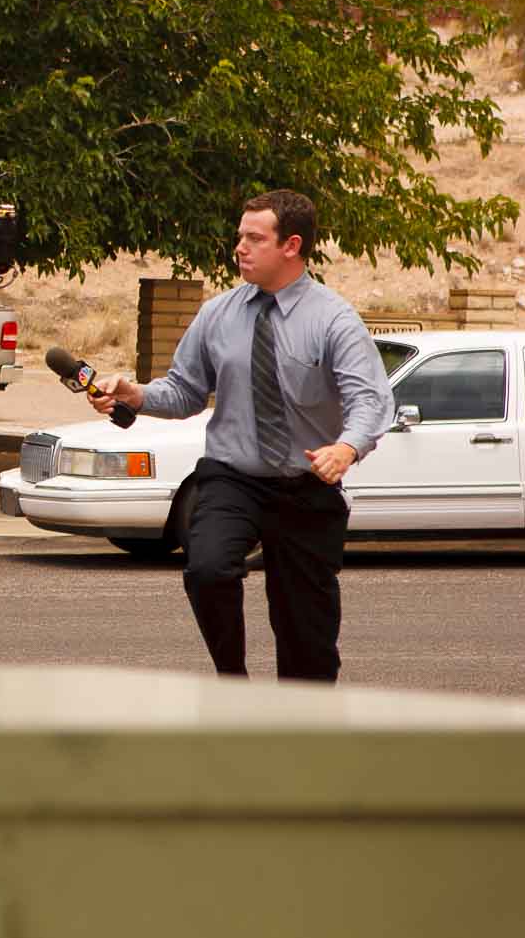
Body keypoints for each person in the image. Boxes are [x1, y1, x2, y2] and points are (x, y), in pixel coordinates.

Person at [86, 190, 393, 682]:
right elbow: (185, 391)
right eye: (239, 237)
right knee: (207, 570)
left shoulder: (334, 319)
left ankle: (304, 735)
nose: (240, 248)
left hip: (306, 483)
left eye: (255, 238)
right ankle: (233, 683)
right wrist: (136, 395)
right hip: (233, 477)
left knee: (307, 642)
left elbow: (370, 400)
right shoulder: (218, 314)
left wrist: (347, 447)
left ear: (291, 245)